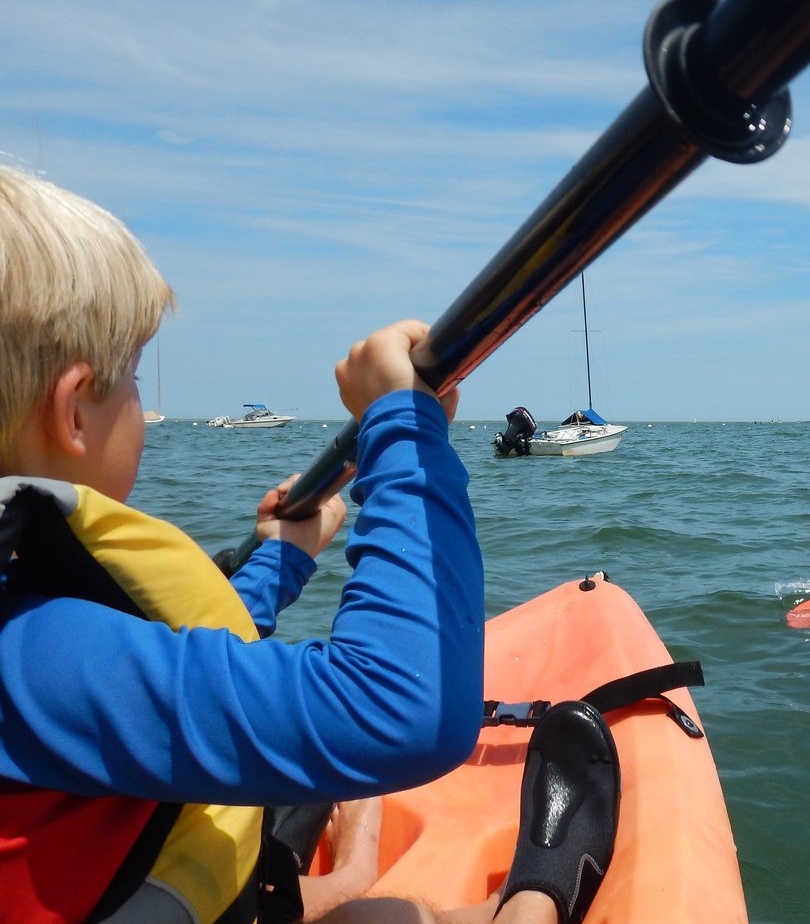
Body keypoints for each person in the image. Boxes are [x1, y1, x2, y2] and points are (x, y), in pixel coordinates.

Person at [0, 164, 618, 924]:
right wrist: (402, 426)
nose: (140, 399)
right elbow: (403, 713)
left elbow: (168, 661)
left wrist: (284, 557)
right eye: (129, 378)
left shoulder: (31, 616)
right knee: (391, 919)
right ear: (73, 413)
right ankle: (531, 906)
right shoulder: (23, 653)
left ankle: (349, 874)